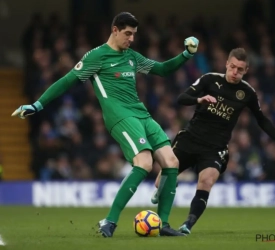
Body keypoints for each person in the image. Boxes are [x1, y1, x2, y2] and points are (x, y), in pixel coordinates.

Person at [11, 12, 199, 237]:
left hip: (141, 114)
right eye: (127, 34)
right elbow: (67, 80)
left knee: (171, 162)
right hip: (120, 117)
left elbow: (162, 69)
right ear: (115, 30)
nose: (131, 39)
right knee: (145, 162)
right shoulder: (97, 56)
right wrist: (38, 104)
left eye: (134, 34)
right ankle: (109, 221)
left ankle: (165, 224)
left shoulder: (132, 57)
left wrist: (186, 54)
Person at [151, 48, 275, 234]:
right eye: (233, 67)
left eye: (240, 69)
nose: (235, 72)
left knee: (206, 181)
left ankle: (187, 224)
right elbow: (182, 98)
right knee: (159, 183)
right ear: (226, 64)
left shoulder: (248, 93)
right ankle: (167, 186)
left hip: (215, 147)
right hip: (190, 139)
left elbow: (262, 120)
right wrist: (199, 99)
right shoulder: (209, 79)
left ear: (246, 71)